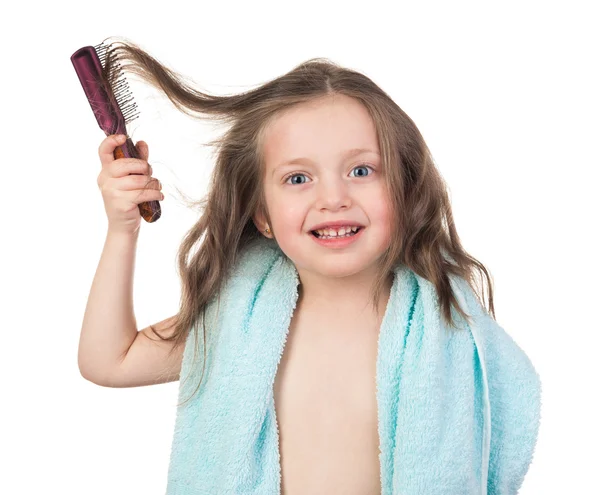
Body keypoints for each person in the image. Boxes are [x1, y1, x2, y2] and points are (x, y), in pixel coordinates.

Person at [78, 39, 538, 494]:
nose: (333, 198)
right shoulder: (239, 320)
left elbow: (507, 419)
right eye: (298, 178)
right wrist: (123, 230)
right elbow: (109, 362)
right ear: (263, 215)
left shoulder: (444, 329)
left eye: (361, 171)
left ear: (404, 187)